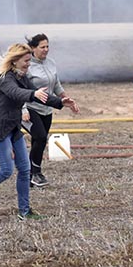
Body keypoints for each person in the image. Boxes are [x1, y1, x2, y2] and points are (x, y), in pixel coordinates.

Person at [0, 43, 74, 220]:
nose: (29, 63)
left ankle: (25, 211)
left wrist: (60, 102)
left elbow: (37, 94)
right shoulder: (5, 78)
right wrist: (32, 95)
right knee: (6, 170)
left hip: (13, 129)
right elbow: (17, 93)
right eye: (26, 60)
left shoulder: (21, 76)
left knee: (24, 169)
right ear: (15, 60)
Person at [22, 33, 79, 187]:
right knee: (40, 137)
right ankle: (36, 173)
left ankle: (29, 176)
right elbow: (19, 89)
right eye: (42, 47)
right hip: (30, 108)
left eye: (47, 46)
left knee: (39, 141)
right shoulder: (27, 66)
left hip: (47, 109)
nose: (46, 49)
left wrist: (66, 99)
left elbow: (56, 84)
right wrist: (23, 110)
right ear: (33, 48)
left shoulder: (51, 63)